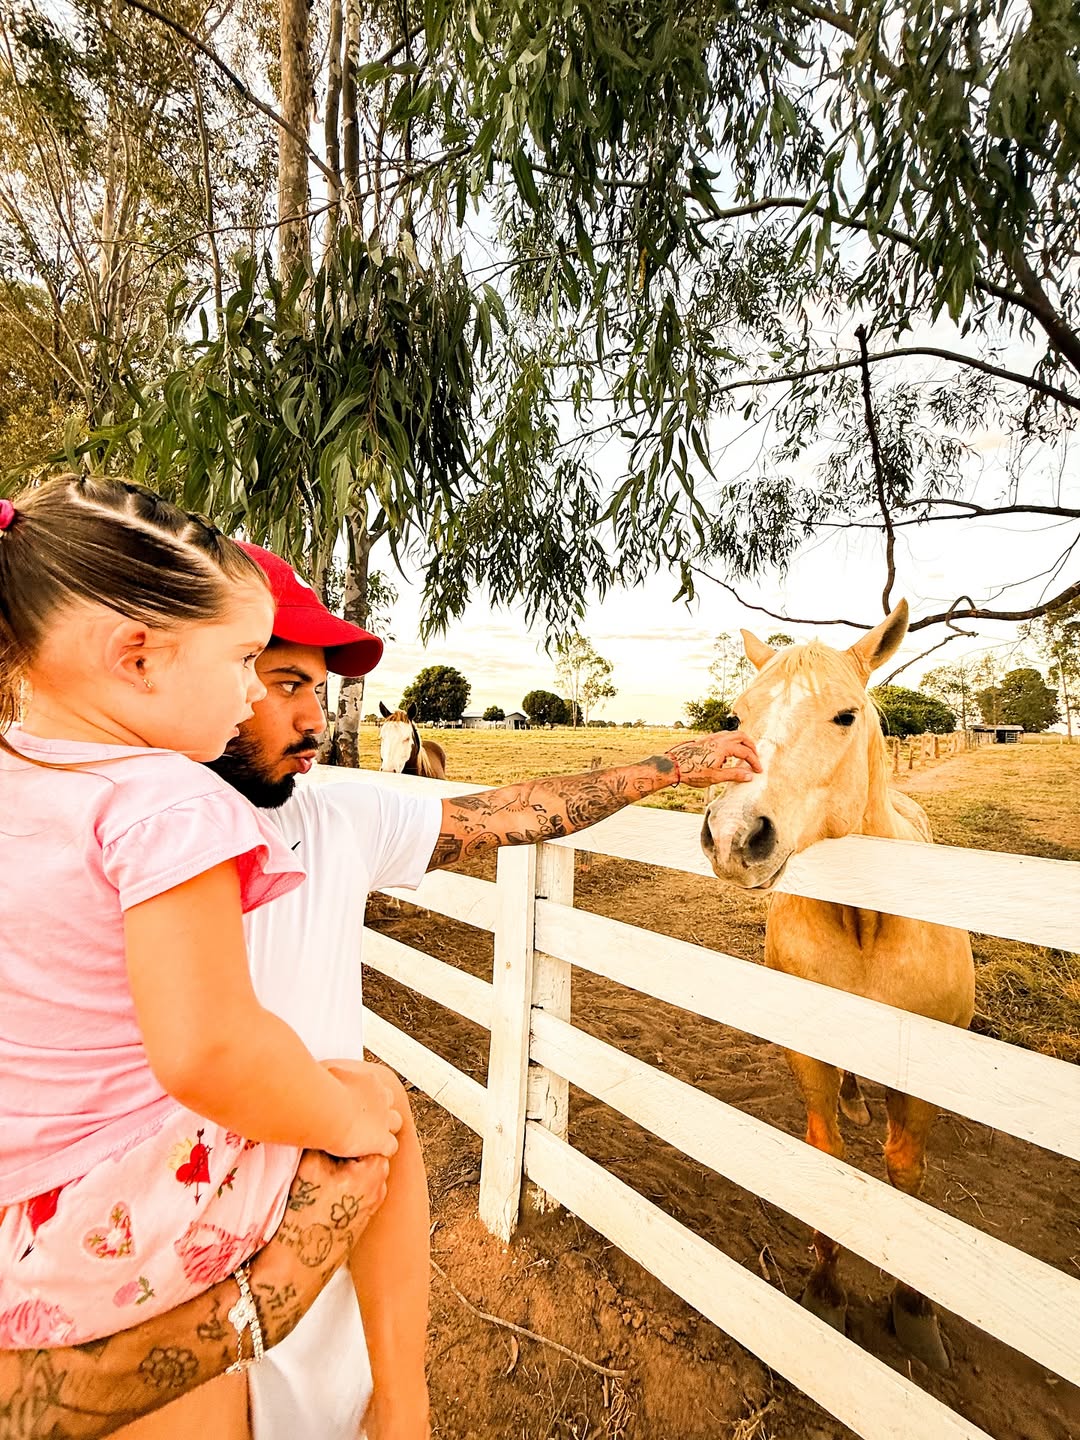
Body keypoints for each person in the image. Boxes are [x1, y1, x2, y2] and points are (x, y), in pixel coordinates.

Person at [1, 533, 760, 1440]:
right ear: (165, 661)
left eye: (315, 691)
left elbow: (515, 812)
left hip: (297, 1227)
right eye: (276, 679)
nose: (309, 720)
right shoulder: (118, 818)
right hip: (146, 1247)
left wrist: (669, 765)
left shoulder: (336, 814)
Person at [0, 478, 429, 1440]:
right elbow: (208, 1051)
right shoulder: (166, 800)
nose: (249, 694)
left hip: (23, 1211)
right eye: (246, 662)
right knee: (379, 1103)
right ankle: (402, 1415)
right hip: (119, 1214)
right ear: (139, 656)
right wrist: (340, 1114)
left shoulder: (19, 772)